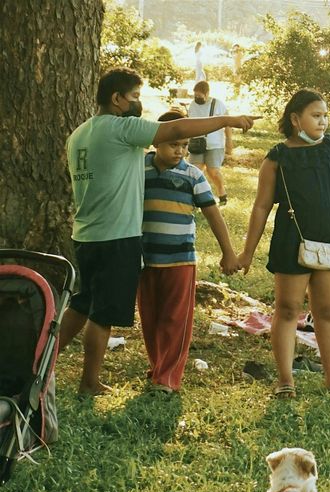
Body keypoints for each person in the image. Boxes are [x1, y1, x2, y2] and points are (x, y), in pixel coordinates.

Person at [59, 67, 258, 396]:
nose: (138, 103)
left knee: (82, 303)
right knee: (102, 313)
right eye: (135, 96)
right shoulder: (120, 128)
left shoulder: (79, 134)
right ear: (117, 99)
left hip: (85, 234)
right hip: (116, 237)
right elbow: (175, 128)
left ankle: (41, 366)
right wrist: (228, 120)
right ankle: (89, 383)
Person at [238, 89, 330, 398]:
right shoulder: (277, 158)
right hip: (291, 240)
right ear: (296, 119)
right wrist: (247, 252)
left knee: (326, 311)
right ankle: (286, 380)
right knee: (287, 309)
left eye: (325, 115)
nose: (323, 121)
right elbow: (261, 207)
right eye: (316, 115)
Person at [138, 110, 240, 394]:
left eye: (184, 145)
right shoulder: (138, 168)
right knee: (150, 317)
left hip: (180, 259)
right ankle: (158, 365)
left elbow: (212, 214)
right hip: (145, 259)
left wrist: (228, 252)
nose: (180, 151)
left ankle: (167, 377)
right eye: (174, 144)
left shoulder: (193, 175)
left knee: (175, 319)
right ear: (156, 141)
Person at [187, 81, 232, 205]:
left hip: (215, 144)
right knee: (195, 171)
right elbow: (189, 124)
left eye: (199, 96)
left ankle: (222, 194)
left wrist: (229, 141)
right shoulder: (193, 105)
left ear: (207, 93)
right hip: (197, 143)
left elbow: (228, 123)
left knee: (213, 172)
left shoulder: (218, 104)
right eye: (195, 95)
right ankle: (194, 198)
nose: (197, 98)